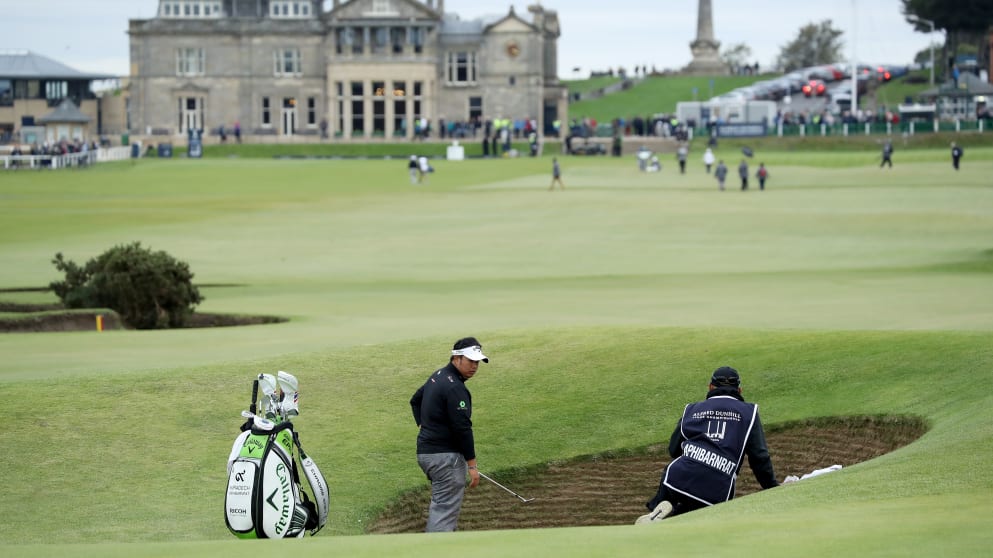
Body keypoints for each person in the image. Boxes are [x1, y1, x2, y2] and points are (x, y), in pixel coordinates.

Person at [637, 366, 779, 524]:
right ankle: (673, 517)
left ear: (711, 387)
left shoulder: (692, 409)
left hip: (677, 478)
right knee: (696, 519)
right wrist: (772, 488)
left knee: (674, 500)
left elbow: (673, 449)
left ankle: (660, 513)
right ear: (739, 390)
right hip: (716, 488)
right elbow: (759, 457)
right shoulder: (749, 413)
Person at [410, 337, 489, 532]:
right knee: (444, 511)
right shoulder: (455, 387)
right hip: (446, 459)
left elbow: (415, 400)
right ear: (456, 358)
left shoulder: (438, 375)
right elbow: (462, 428)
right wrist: (472, 465)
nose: (474, 366)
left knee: (443, 506)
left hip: (427, 454)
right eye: (470, 361)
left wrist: (424, 425)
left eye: (477, 362)